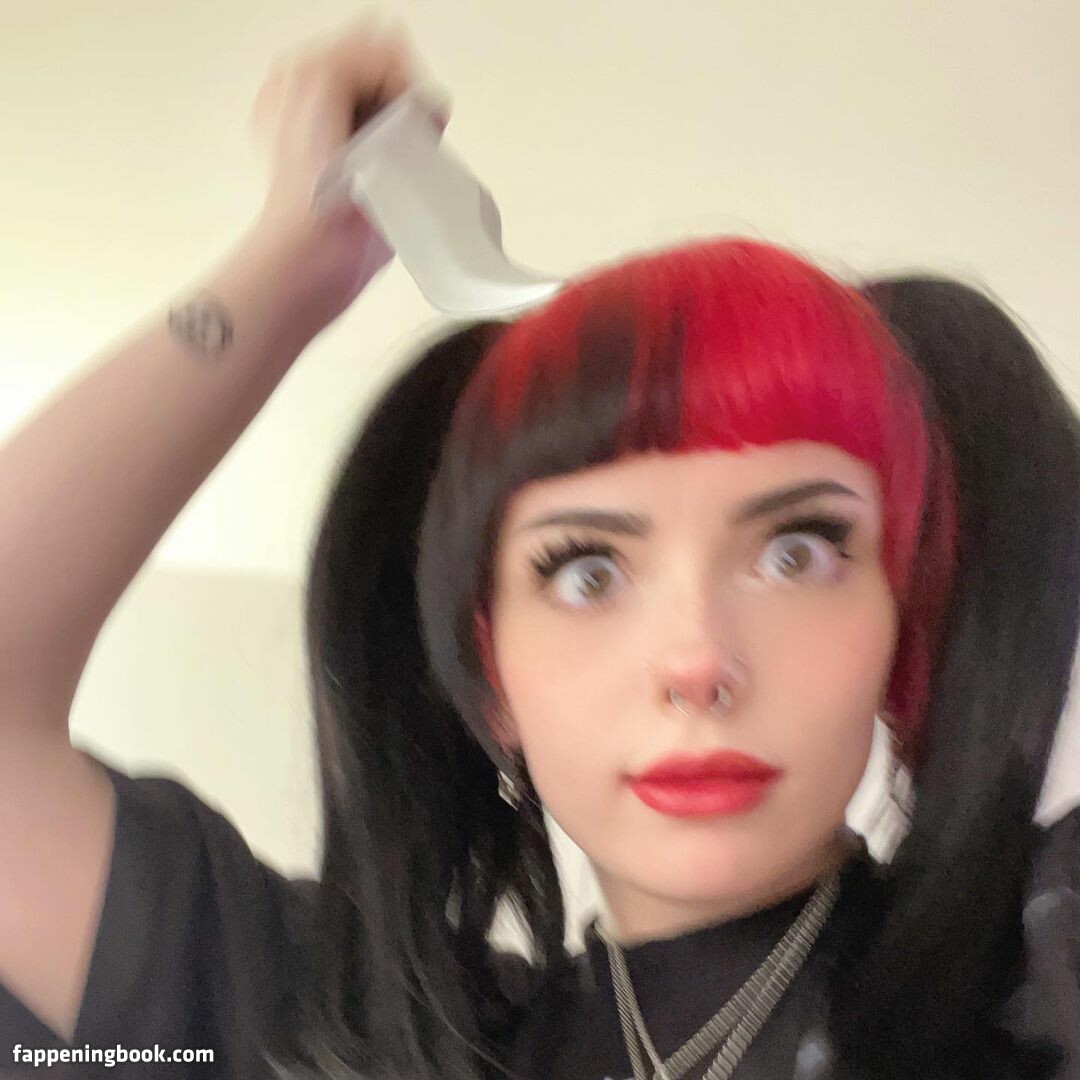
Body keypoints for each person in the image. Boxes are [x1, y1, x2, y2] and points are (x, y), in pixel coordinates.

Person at [0, 16, 1076, 1080]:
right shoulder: (376, 1047)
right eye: (588, 572)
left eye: (798, 553)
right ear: (491, 676)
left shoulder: (1042, 973)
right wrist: (295, 261)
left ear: (902, 621)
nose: (698, 663)